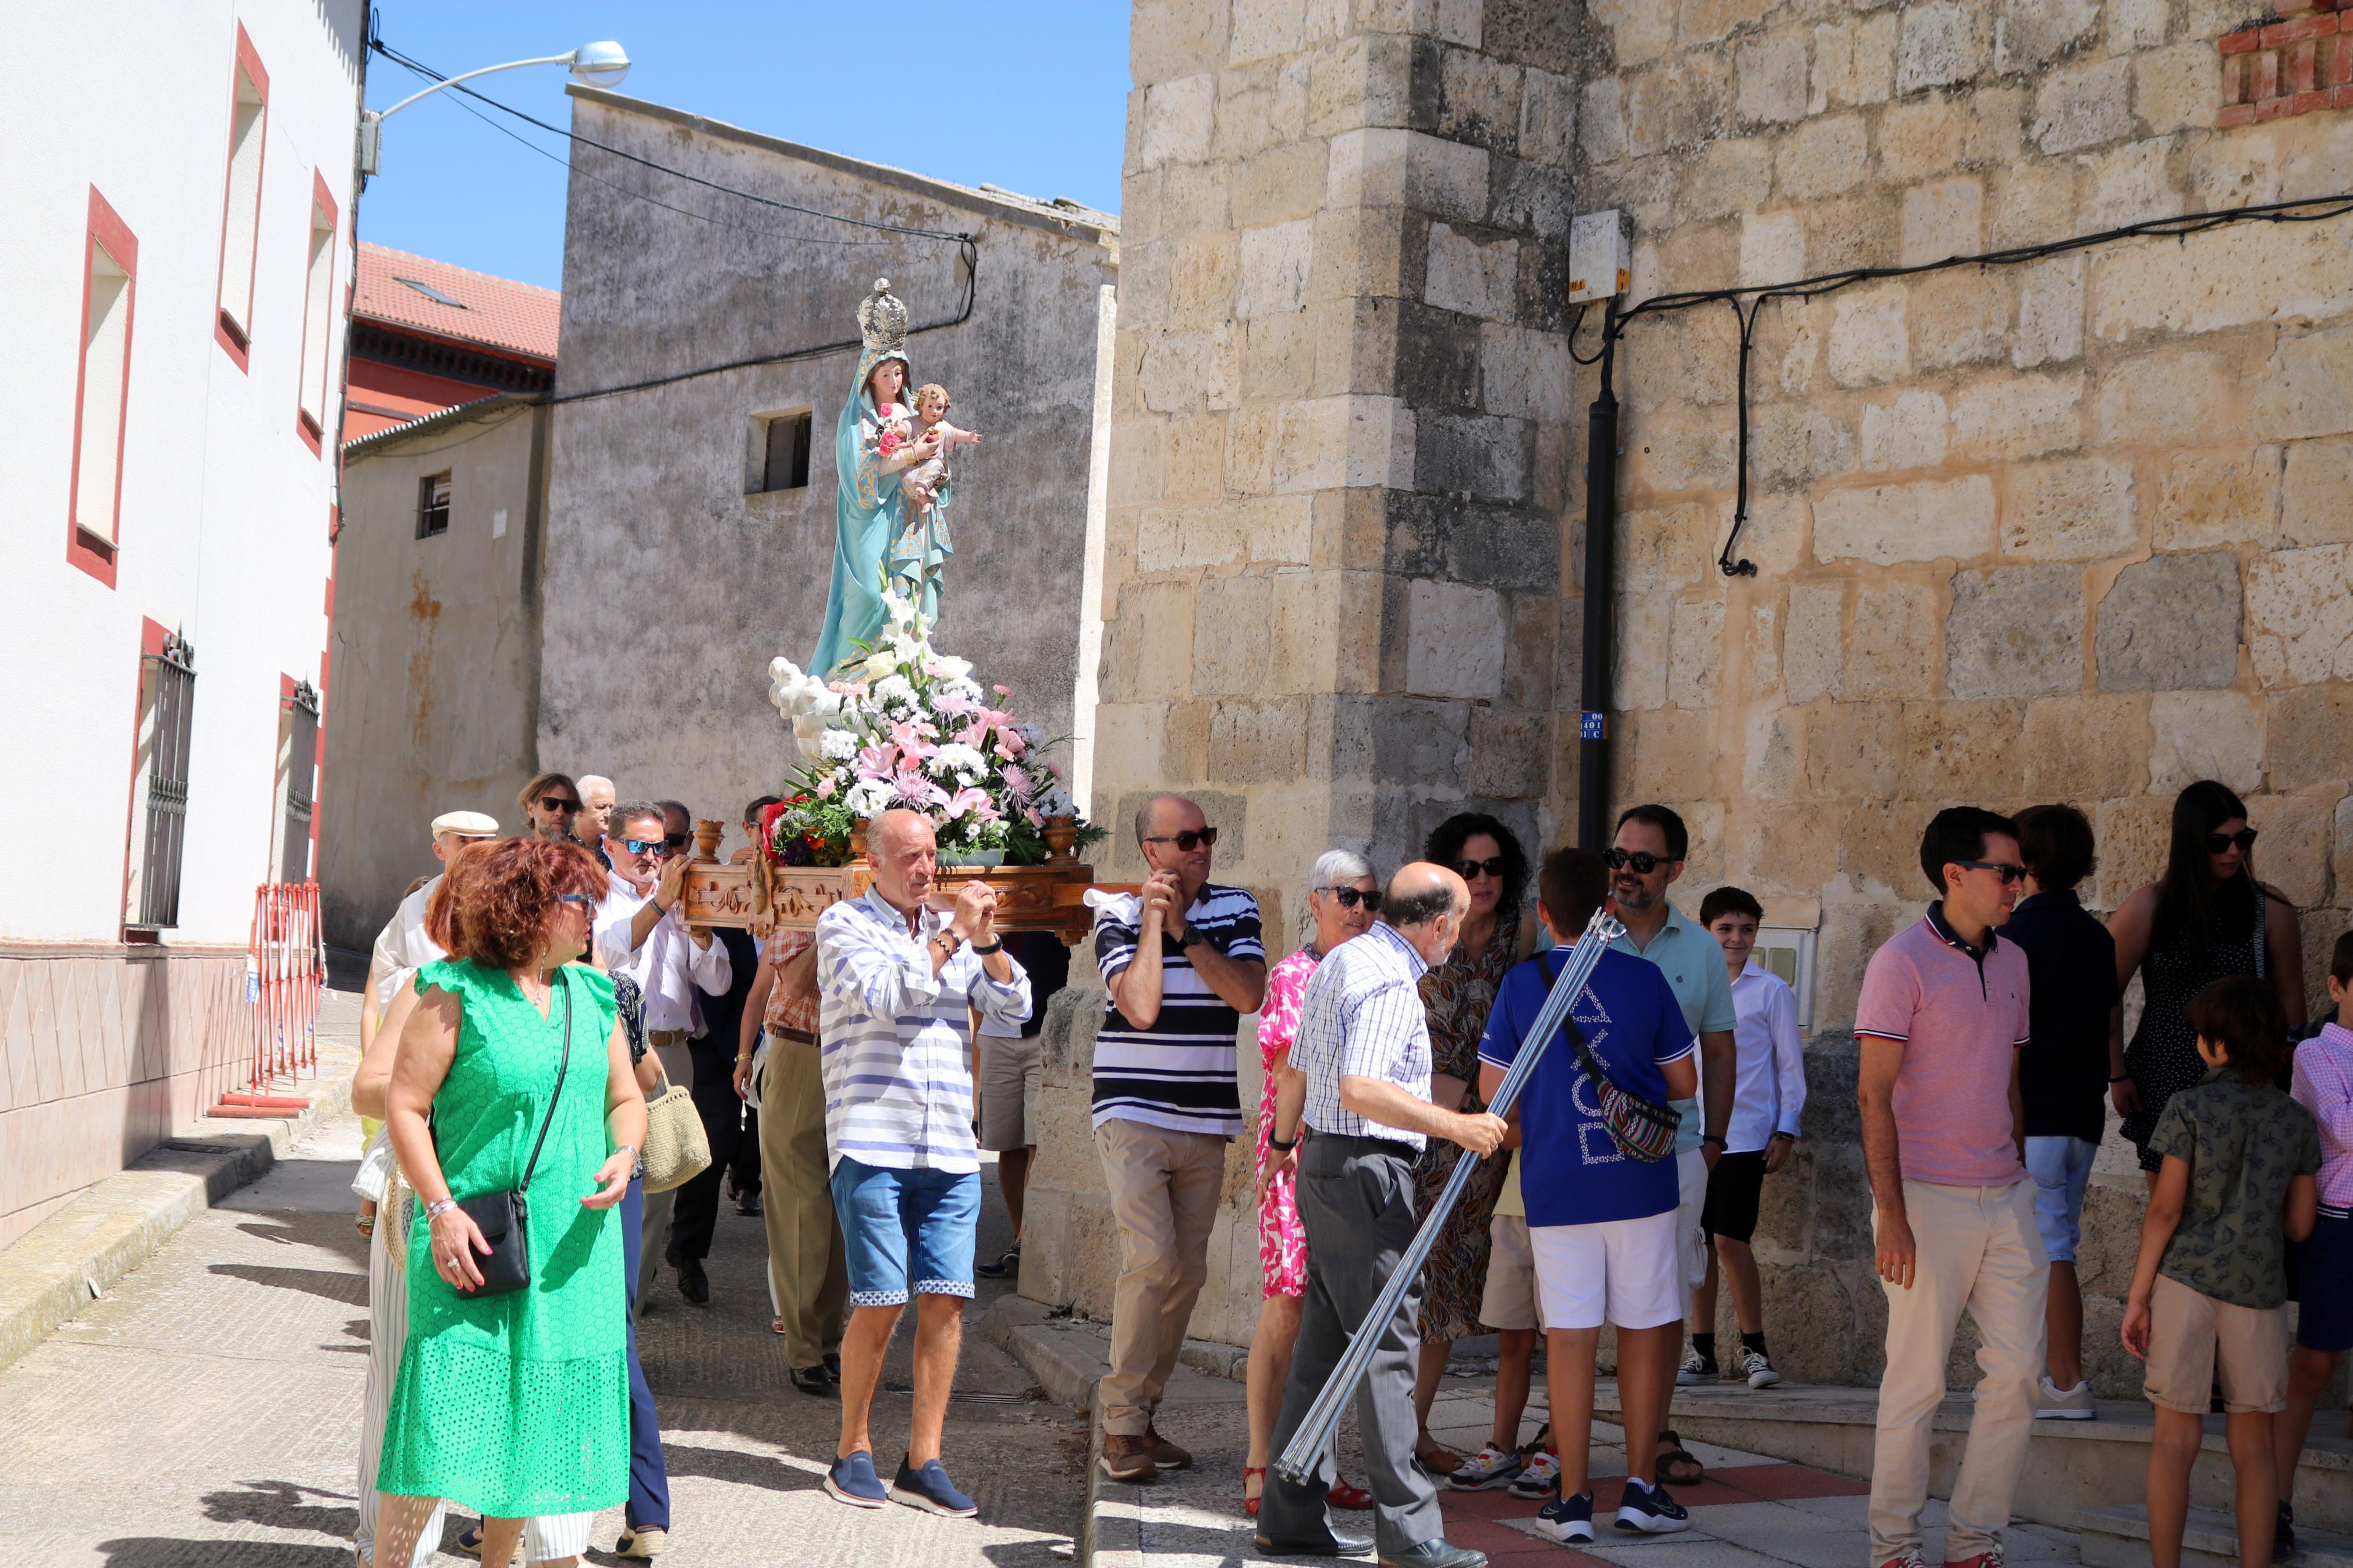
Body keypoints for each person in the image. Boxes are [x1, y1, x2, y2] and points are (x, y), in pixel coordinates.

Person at [368, 835, 645, 1568]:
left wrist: (625, 1152)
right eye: (579, 901)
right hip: (472, 1238)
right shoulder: (452, 991)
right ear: (526, 908)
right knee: (443, 1418)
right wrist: (439, 1207)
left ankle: (501, 1561)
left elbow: (626, 1096)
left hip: (571, 1245)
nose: (592, 917)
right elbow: (402, 1106)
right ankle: (388, 1561)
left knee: (537, 1421)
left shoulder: (592, 993)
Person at [1259, 862, 1502, 1568]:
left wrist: (1284, 1146)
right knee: (1388, 1346)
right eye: (1455, 923)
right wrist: (1456, 1127)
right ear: (1436, 923)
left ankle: (1289, 1517)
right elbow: (1360, 1087)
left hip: (1328, 1164)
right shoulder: (1392, 978)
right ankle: (1409, 1533)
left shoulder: (1340, 959)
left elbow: (1297, 1069)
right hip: (1366, 1169)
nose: (1455, 939)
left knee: (1322, 1351)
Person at [1479, 847, 1702, 1542]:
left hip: (1556, 1185)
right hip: (1639, 1184)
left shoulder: (1521, 985)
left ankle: (1572, 1499)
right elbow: (1684, 1083)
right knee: (1641, 1331)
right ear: (1606, 909)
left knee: (1569, 1341)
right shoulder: (1643, 979)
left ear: (1543, 915)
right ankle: (1641, 1487)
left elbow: (1492, 1096)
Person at [814, 808, 1031, 1516]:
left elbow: (1013, 1005)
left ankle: (924, 1459)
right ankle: (851, 1449)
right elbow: (887, 995)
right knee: (881, 1300)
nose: (923, 868)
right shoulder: (843, 925)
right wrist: (948, 936)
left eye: (930, 855)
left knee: (946, 1299)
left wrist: (987, 938)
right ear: (874, 861)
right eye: (908, 856)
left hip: (947, 1144)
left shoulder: (956, 934)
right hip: (873, 1137)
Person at [1857, 807, 2045, 1568]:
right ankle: (1893, 1548)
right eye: (2005, 871)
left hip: (2005, 1193)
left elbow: (2008, 1077)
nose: (2017, 885)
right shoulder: (1897, 962)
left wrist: (2019, 1168)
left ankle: (1973, 1542)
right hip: (1922, 1198)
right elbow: (1873, 1095)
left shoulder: (2014, 962)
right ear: (1954, 875)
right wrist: (1892, 1216)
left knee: (2019, 1375)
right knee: (1915, 1382)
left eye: (2020, 871)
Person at [1089, 795, 1268, 1482]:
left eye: (1207, 834)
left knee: (1185, 1272)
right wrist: (1152, 924)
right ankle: (1120, 1425)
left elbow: (1248, 995)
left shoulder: (1234, 908)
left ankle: (1141, 1416)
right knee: (1151, 1260)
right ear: (1151, 852)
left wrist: (1188, 930)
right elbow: (1138, 1005)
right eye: (1185, 838)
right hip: (1131, 1111)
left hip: (1206, 1119)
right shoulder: (1115, 911)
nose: (1200, 847)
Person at [2123, 976, 2319, 1568]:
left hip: (2185, 1283)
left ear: (2215, 1044)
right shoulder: (2294, 1120)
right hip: (2258, 1292)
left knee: (2174, 1440)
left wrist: (2136, 1298)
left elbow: (2164, 1209)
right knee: (2254, 1447)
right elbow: (2300, 1227)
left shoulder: (2187, 1106)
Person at [1243, 851, 1380, 1520]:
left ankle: (1317, 1464)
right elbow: (1288, 1068)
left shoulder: (1375, 974)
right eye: (1346, 896)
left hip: (1350, 1156)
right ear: (1315, 901)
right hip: (1293, 1157)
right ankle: (1261, 1462)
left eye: (1369, 900)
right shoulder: (1293, 975)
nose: (1358, 910)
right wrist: (1276, 1150)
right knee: (1288, 1306)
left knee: (1337, 1317)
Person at [1605, 805, 1734, 1489]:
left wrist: (1713, 1139)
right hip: (1590, 1150)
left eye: (1642, 861)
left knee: (1663, 1301)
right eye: (1618, 855)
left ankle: (1655, 1433)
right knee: (1573, 1301)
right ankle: (1558, 1427)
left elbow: (1718, 1047)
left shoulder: (1700, 948)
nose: (1624, 870)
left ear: (1674, 871)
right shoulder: (1581, 935)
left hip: (1677, 1150)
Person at [1407, 813, 1538, 1480]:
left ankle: (1414, 1428)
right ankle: (1404, 1429)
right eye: (1470, 867)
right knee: (1415, 1276)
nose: (1483, 879)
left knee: (1448, 1286)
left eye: (1493, 866)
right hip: (1422, 1122)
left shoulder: (1522, 933)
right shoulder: (1429, 926)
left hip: (1483, 1129)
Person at [2111, 780, 2305, 1182]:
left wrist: (2282, 1067)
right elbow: (2102, 994)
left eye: (2243, 838)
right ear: (2191, 842)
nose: (2235, 852)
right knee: (2169, 1205)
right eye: (2220, 842)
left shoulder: (2268, 907)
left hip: (2247, 1071)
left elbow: (2289, 996)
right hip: (2165, 1071)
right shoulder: (2149, 906)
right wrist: (2117, 1073)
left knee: (2245, 1195)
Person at [2002, 804, 2122, 1421]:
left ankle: (2066, 1381)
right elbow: (2106, 1020)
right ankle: (2034, 1377)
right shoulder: (2096, 936)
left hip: (2036, 1117)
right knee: (2049, 1244)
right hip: (2080, 1114)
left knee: (2047, 1250)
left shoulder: (2015, 939)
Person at [594, 801, 729, 1306]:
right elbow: (609, 953)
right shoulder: (597, 898)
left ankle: (630, 1302)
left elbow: (717, 982)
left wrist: (702, 934)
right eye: (639, 845)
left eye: (660, 845)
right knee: (613, 1173)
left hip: (672, 1055)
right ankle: (607, 1302)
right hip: (616, 1052)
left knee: (659, 1187)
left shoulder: (680, 901)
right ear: (610, 847)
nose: (652, 855)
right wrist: (658, 907)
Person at [357, 810, 501, 1234]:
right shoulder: (419, 908)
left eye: (488, 840)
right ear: (440, 849)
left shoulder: (512, 894)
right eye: (465, 841)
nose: (478, 849)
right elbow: (402, 976)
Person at [1692, 885, 1806, 1392]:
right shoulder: (1690, 986)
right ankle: (1701, 1352)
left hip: (1745, 1135)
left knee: (1728, 1239)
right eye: (1725, 929)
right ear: (1706, 932)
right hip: (1689, 1136)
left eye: (1746, 929)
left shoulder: (1771, 991)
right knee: (1695, 1244)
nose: (1736, 938)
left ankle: (1755, 1350)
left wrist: (1786, 1128)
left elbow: (1788, 1065)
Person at [738, 899, 847, 1398]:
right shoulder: (800, 909)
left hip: (853, 1058)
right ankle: (803, 1348)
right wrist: (832, 920)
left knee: (845, 1206)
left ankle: (827, 1340)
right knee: (799, 1205)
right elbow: (796, 982)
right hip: (800, 1049)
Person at [811, 282, 947, 675]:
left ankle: (898, 665)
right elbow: (861, 475)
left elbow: (936, 457)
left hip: (905, 515)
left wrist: (932, 468)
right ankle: (850, 669)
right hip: (867, 518)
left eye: (900, 373)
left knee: (904, 593)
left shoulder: (914, 418)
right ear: (870, 378)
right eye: (887, 373)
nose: (896, 382)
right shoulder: (855, 420)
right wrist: (911, 453)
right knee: (870, 593)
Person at [665, 801, 768, 1307]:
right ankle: (678, 1249)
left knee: (720, 1145)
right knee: (690, 1148)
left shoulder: (796, 893)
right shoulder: (709, 886)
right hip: (685, 1041)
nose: (665, 852)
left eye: (674, 841)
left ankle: (688, 1250)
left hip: (742, 1041)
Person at [2273, 931, 2353, 1560]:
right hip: (2336, 1226)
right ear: (2335, 987)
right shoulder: (2313, 1054)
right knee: (2313, 1366)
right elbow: (2344, 1128)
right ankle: (2274, 1500)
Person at [973, 929, 1070, 1279]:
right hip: (1000, 1034)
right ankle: (1018, 1239)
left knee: (1035, 1143)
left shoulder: (1050, 893)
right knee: (1007, 1145)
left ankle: (1026, 1245)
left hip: (1046, 1029)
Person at [517, 772, 583, 842]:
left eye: (569, 806)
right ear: (531, 809)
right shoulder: (516, 852)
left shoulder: (584, 853)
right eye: (551, 803)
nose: (560, 813)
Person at [578, 776, 617, 870]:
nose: (608, 814)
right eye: (601, 807)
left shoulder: (617, 849)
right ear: (579, 808)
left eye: (612, 807)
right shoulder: (559, 850)